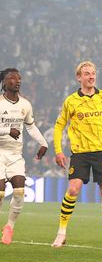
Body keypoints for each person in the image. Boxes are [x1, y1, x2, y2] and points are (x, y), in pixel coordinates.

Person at [51, 61, 102, 250]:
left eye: (93, 73)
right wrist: (58, 150)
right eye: (87, 73)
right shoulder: (71, 101)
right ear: (79, 77)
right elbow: (59, 126)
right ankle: (61, 233)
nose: (91, 76)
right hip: (80, 153)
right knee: (73, 189)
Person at [0, 68, 48, 244]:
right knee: (0, 193)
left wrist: (44, 143)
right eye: (12, 78)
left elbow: (30, 126)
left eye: (19, 78)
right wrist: (7, 130)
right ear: (4, 82)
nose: (17, 81)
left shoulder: (25, 104)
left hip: (15, 155)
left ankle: (9, 227)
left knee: (20, 191)